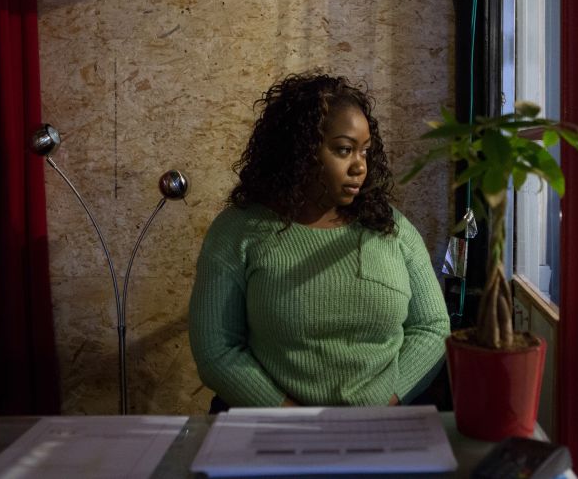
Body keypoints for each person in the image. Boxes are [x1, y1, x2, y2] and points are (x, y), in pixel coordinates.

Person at [188, 71, 450, 408]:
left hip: (381, 426)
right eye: (344, 150)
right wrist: (290, 416)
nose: (360, 167)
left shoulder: (390, 227)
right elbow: (216, 350)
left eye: (365, 152)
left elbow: (431, 326)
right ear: (300, 152)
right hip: (275, 431)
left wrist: (387, 403)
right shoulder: (240, 231)